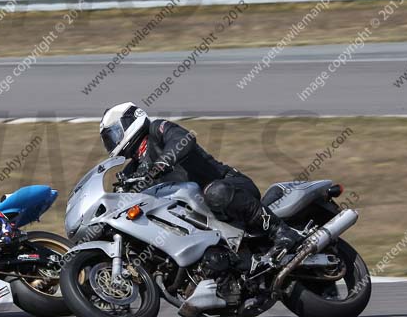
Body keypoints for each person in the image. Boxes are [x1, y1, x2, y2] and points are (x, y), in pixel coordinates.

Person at [99, 102, 302, 251]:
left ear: (129, 122)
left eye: (113, 134)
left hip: (229, 186)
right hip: (195, 217)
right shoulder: (132, 170)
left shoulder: (158, 129)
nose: (111, 142)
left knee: (214, 192)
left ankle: (280, 230)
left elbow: (183, 140)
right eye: (108, 139)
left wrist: (162, 163)